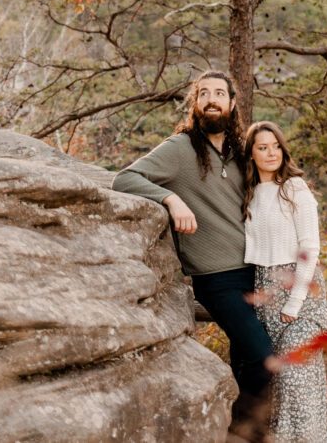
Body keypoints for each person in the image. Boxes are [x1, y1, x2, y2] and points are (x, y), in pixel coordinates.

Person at [112, 71, 272, 433]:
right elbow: (124, 179)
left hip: (256, 272)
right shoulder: (180, 148)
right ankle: (242, 433)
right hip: (217, 278)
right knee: (265, 359)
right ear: (195, 103)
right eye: (204, 94)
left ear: (232, 104)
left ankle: (239, 431)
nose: (212, 99)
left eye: (220, 93)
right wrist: (171, 199)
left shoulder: (240, 152)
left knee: (247, 358)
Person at [242, 121, 327, 443]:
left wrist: (295, 301)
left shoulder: (294, 188)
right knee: (281, 384)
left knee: (298, 379)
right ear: (251, 154)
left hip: (300, 293)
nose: (271, 153)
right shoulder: (248, 193)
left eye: (276, 145)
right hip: (265, 291)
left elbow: (310, 247)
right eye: (262, 147)